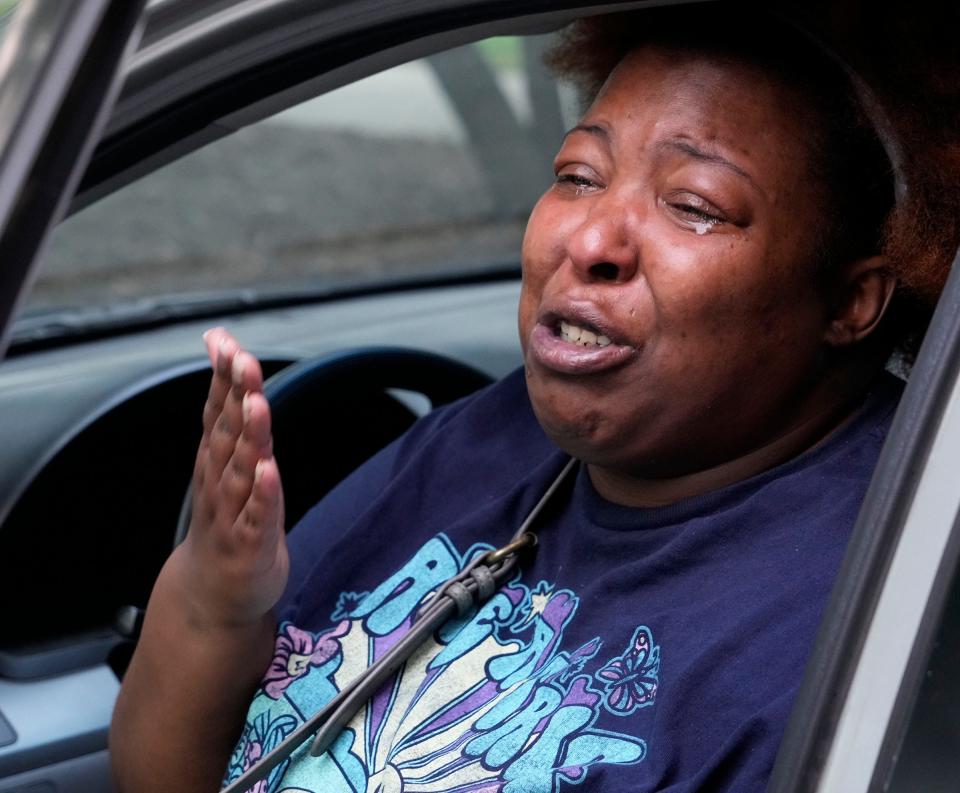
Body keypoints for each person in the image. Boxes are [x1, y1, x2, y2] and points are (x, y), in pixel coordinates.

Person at [109, 5, 957, 792]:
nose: (589, 239)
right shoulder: (488, 438)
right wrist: (221, 598)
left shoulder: (882, 594)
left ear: (852, 302)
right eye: (580, 175)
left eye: (694, 206)